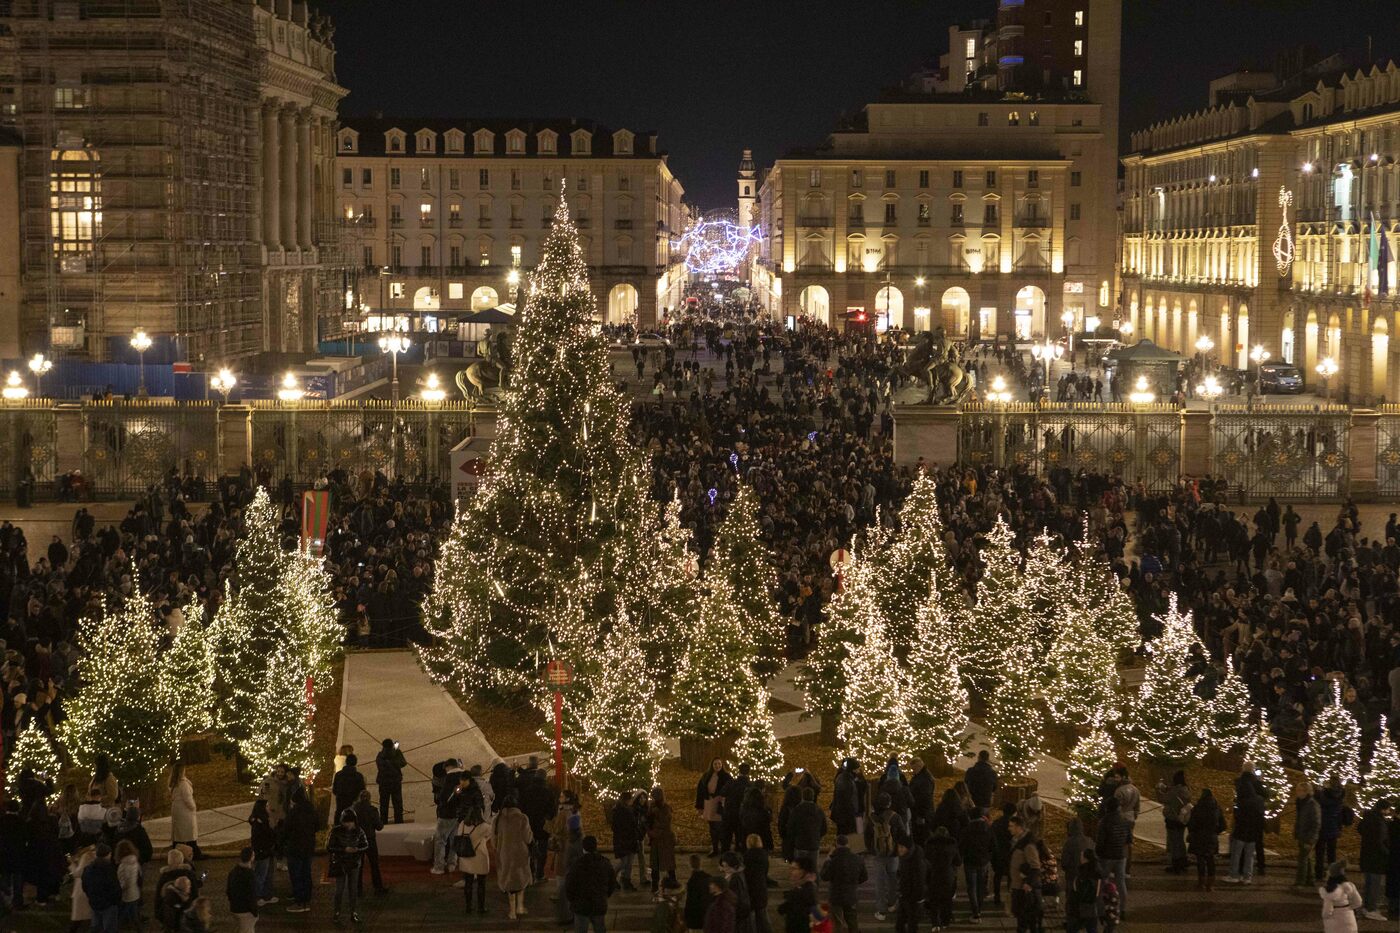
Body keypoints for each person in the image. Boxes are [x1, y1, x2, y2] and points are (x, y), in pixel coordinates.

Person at [566, 834, 618, 933]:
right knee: (599, 928)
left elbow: (569, 885)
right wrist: (605, 895)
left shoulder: (577, 865)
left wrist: (573, 900)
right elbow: (612, 882)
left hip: (581, 905)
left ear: (583, 848)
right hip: (598, 903)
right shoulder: (604, 863)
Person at [494, 792, 535, 920]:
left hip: (504, 852)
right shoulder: (522, 818)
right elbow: (528, 838)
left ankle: (512, 911)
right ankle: (520, 906)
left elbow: (494, 837)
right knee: (521, 879)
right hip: (520, 852)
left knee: (509, 880)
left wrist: (497, 848)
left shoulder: (498, 819)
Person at [327, 808, 368, 924]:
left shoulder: (359, 831)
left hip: (354, 863)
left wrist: (357, 849)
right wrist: (344, 849)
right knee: (339, 889)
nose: (349, 825)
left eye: (351, 822)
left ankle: (353, 912)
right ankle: (337, 912)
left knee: (353, 889)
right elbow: (329, 847)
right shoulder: (336, 831)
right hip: (341, 863)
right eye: (346, 822)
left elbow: (365, 844)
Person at [283, 786, 318, 913]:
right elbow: (318, 825)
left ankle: (299, 902)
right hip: (309, 846)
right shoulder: (311, 810)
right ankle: (306, 899)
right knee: (306, 873)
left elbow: (286, 830)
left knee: (296, 875)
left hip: (295, 848)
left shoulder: (294, 813)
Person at [819, 835, 865, 933]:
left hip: (836, 896)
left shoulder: (833, 860)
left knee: (837, 922)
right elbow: (864, 877)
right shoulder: (857, 859)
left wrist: (827, 859)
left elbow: (824, 876)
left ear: (836, 845)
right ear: (848, 844)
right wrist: (854, 882)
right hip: (851, 895)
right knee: (852, 921)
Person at [1094, 796, 1131, 917]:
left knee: (1103, 881)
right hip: (1121, 855)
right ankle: (1123, 908)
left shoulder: (1104, 822)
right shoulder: (1125, 820)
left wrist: (1098, 854)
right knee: (1121, 882)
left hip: (1107, 856)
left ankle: (1104, 907)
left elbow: (1100, 841)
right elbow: (1129, 839)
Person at [1225, 779, 1266, 885]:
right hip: (1253, 833)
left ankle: (1234, 875)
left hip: (1241, 832)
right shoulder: (1259, 800)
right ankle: (1247, 877)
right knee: (1249, 856)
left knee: (1236, 854)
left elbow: (1237, 817)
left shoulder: (1241, 802)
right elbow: (1260, 817)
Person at [457, 802, 494, 916]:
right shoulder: (484, 827)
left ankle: (468, 907)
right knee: (481, 884)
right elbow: (490, 835)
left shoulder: (463, 824)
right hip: (480, 856)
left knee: (468, 882)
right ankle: (481, 907)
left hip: (466, 856)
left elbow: (459, 836)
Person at [1187, 788, 1226, 891]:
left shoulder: (1197, 808)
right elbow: (1223, 825)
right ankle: (1210, 884)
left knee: (1200, 860)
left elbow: (1191, 824)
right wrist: (1215, 832)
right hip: (1211, 837)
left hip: (1199, 837)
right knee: (1210, 860)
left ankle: (1201, 883)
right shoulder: (1216, 808)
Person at [1358, 801, 1392, 920]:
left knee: (1369, 884)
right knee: (1374, 885)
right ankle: (1371, 909)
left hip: (1366, 856)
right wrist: (1388, 853)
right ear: (1383, 809)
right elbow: (1380, 841)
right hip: (1376, 858)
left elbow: (1361, 830)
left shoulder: (1368, 818)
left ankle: (1366, 907)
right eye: (1388, 809)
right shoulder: (1379, 822)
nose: (1388, 812)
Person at [958, 806, 992, 923]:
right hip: (983, 861)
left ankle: (975, 911)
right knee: (981, 886)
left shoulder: (966, 829)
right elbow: (993, 845)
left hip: (970, 861)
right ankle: (979, 908)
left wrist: (961, 857)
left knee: (972, 887)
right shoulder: (987, 829)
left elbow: (961, 846)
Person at [924, 825, 961, 932]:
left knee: (934, 899)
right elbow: (958, 861)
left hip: (933, 874)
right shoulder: (952, 845)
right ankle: (945, 921)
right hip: (947, 875)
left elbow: (925, 859)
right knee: (947, 899)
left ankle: (935, 923)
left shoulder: (929, 845)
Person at [353, 789, 388, 896]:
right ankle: (378, 888)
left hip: (358, 841)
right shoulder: (372, 810)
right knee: (374, 865)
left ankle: (357, 889)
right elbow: (379, 826)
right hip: (370, 840)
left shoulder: (354, 810)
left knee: (358, 865)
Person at [1156, 770, 1191, 874]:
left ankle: (1176, 864)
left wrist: (1158, 789)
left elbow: (1162, 798)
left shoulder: (1174, 791)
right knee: (1180, 840)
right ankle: (1183, 861)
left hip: (1173, 818)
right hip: (1182, 818)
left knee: (1174, 842)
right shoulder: (1186, 789)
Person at [83, 843, 123, 933]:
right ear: (108, 854)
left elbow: (85, 886)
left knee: (96, 927)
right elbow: (115, 888)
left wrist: (91, 897)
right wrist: (116, 901)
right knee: (109, 928)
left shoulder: (88, 869)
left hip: (94, 903)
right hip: (108, 905)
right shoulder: (109, 869)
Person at [697, 759, 732, 858]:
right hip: (709, 803)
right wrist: (700, 806)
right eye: (715, 764)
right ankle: (715, 848)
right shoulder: (706, 776)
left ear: (722, 765)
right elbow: (700, 791)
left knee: (720, 827)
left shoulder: (726, 776)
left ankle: (724, 849)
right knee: (712, 828)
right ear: (712, 765)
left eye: (719, 764)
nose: (717, 766)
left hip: (720, 804)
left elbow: (730, 790)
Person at [786, 788, 826, 872]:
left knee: (800, 869)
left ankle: (801, 884)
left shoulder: (797, 810)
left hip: (800, 843)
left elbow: (791, 827)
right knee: (813, 869)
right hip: (813, 843)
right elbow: (824, 828)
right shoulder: (819, 810)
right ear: (813, 797)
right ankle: (814, 884)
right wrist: (817, 836)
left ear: (802, 797)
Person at [1319, 859, 1363, 933]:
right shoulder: (1349, 886)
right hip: (1349, 918)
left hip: (1334, 922)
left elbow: (1328, 910)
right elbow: (1358, 902)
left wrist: (1325, 916)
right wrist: (1348, 908)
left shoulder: (1329, 891)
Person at [648, 787, 679, 892]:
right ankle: (656, 884)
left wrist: (652, 832)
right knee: (658, 864)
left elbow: (664, 824)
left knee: (665, 863)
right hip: (659, 840)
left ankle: (670, 881)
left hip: (663, 839)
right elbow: (650, 821)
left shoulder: (665, 808)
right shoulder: (654, 807)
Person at [247, 799, 277, 907]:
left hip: (266, 850)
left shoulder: (262, 820)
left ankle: (266, 895)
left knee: (267, 874)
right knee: (261, 874)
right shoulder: (260, 822)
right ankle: (258, 897)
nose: (269, 807)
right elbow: (266, 836)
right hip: (263, 851)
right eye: (267, 805)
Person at [777, 857, 818, 933]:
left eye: (794, 869)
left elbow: (798, 917)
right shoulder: (805, 886)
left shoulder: (803, 891)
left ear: (802, 871)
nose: (791, 872)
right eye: (790, 868)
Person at [894, 836, 926, 933]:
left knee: (912, 925)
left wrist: (918, 899)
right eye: (899, 847)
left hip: (913, 899)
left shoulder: (916, 862)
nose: (900, 849)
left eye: (902, 847)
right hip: (904, 896)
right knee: (900, 925)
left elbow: (919, 882)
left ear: (908, 848)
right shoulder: (905, 857)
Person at [168, 765, 200, 861]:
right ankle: (194, 852)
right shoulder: (183, 784)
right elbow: (187, 798)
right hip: (184, 811)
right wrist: (193, 807)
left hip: (177, 809)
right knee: (189, 831)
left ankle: (176, 850)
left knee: (179, 833)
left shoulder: (173, 783)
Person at [1065, 850, 1101, 933]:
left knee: (1072, 929)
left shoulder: (1083, 873)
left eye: (1081, 856)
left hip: (1080, 908)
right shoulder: (1097, 871)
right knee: (1092, 929)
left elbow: (1080, 891)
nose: (1080, 858)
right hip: (1092, 907)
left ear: (1086, 859)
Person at [612, 795, 643, 891]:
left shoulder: (621, 810)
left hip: (627, 839)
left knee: (628, 862)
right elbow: (629, 825)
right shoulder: (622, 811)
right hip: (625, 839)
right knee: (625, 862)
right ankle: (614, 878)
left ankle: (625, 880)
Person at [742, 834, 771, 933]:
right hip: (761, 886)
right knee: (762, 914)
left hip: (750, 887)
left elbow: (745, 872)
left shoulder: (746, 856)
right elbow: (766, 871)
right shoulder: (764, 855)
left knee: (751, 916)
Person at [1295, 784, 1322, 889]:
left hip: (1308, 836)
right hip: (1303, 834)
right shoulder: (1303, 803)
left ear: (1306, 792)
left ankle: (1300, 882)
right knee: (1308, 858)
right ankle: (1310, 879)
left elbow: (1316, 823)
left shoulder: (1312, 805)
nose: (1297, 792)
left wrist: (1310, 839)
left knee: (1303, 859)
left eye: (1300, 790)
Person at [226, 846, 259, 933]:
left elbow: (228, 890)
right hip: (246, 911)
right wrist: (255, 912)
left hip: (235, 908)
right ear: (251, 858)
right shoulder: (250, 875)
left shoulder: (233, 872)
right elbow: (251, 894)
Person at [721, 764, 751, 854]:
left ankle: (725, 858)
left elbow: (722, 792)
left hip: (729, 813)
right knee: (741, 838)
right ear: (749, 772)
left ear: (739, 771)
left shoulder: (731, 782)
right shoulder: (749, 785)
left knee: (727, 837)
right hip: (742, 815)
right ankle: (740, 857)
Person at [375, 738, 406, 825]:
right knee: (397, 803)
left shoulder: (380, 756)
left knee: (383, 804)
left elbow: (380, 767)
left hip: (384, 782)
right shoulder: (397, 753)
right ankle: (399, 822)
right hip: (395, 781)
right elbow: (403, 763)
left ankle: (383, 822)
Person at [115, 838, 143, 930]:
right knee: (133, 916)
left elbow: (125, 882)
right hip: (135, 893)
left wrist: (119, 889)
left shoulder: (123, 865)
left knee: (122, 917)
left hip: (127, 895)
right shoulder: (135, 861)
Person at [332, 754, 367, 823]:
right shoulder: (358, 776)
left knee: (339, 817)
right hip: (354, 802)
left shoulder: (338, 775)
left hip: (340, 801)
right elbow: (362, 791)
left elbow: (335, 789)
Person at [685, 854, 713, 933]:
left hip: (695, 918)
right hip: (707, 915)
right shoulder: (709, 877)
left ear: (689, 865)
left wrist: (687, 918)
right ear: (701, 863)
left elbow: (690, 901)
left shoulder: (692, 881)